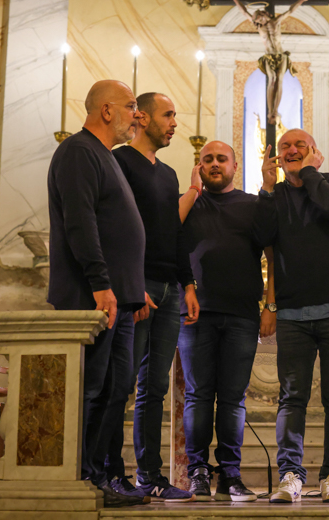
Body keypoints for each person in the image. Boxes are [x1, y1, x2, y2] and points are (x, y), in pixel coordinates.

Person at [47, 80, 150, 508]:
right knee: (91, 389)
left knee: (115, 388)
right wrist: (101, 283)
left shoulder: (104, 155)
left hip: (119, 298)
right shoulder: (78, 151)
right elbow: (81, 221)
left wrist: (132, 289)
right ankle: (78, 478)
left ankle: (97, 476)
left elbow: (114, 226)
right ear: (106, 111)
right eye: (131, 106)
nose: (138, 115)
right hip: (92, 297)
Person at [256, 128, 329, 504]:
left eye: (300, 145)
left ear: (315, 152)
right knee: (292, 397)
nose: (291, 150)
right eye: (285, 146)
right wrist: (267, 188)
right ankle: (290, 475)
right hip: (292, 311)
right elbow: (261, 237)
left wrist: (311, 173)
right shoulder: (275, 195)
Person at [108, 92, 199, 502]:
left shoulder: (168, 174)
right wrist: (132, 285)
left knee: (154, 388)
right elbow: (118, 228)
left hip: (169, 288)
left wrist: (188, 284)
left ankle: (150, 476)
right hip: (138, 287)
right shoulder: (120, 162)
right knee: (122, 383)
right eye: (169, 115)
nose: (174, 123)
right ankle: (111, 473)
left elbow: (172, 232)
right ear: (142, 118)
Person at [177, 140, 276, 502]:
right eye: (208, 159)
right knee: (198, 396)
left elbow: (273, 255)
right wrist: (192, 191)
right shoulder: (188, 202)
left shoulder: (252, 205)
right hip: (195, 313)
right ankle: (198, 472)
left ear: (235, 166)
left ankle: (230, 475)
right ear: (199, 166)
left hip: (241, 314)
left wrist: (271, 305)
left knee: (233, 399)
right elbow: (165, 233)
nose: (215, 164)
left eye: (222, 159)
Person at [228, 0, 309, 124]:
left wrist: (301, 0)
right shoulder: (260, 27)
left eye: (259, 19)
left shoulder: (276, 22)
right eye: (256, 20)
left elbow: (290, 11)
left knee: (280, 80)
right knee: (272, 79)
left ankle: (275, 110)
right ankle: (270, 111)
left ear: (264, 15)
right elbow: (244, 13)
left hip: (281, 56)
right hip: (268, 57)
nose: (258, 22)